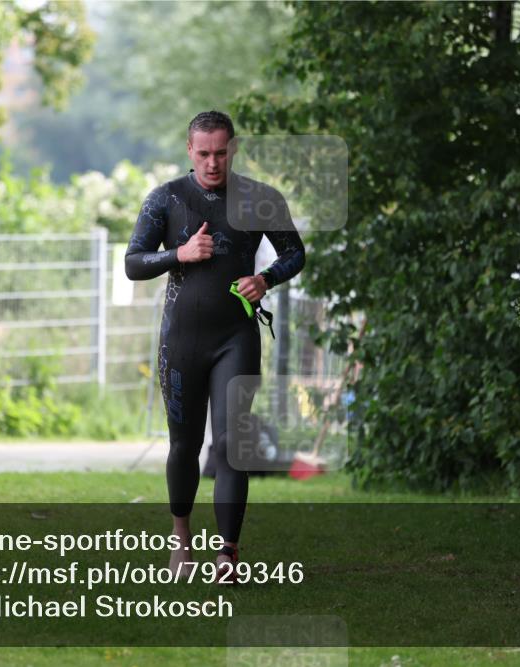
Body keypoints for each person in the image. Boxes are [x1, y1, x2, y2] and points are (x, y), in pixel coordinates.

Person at [124, 110, 305, 583]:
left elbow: (295, 253)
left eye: (220, 153)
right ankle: (181, 541)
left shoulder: (259, 199)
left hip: (234, 339)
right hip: (181, 340)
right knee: (184, 445)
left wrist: (264, 279)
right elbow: (133, 263)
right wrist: (178, 254)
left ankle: (227, 554)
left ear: (233, 148)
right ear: (189, 150)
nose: (212, 163)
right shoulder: (166, 199)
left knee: (230, 445)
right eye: (203, 154)